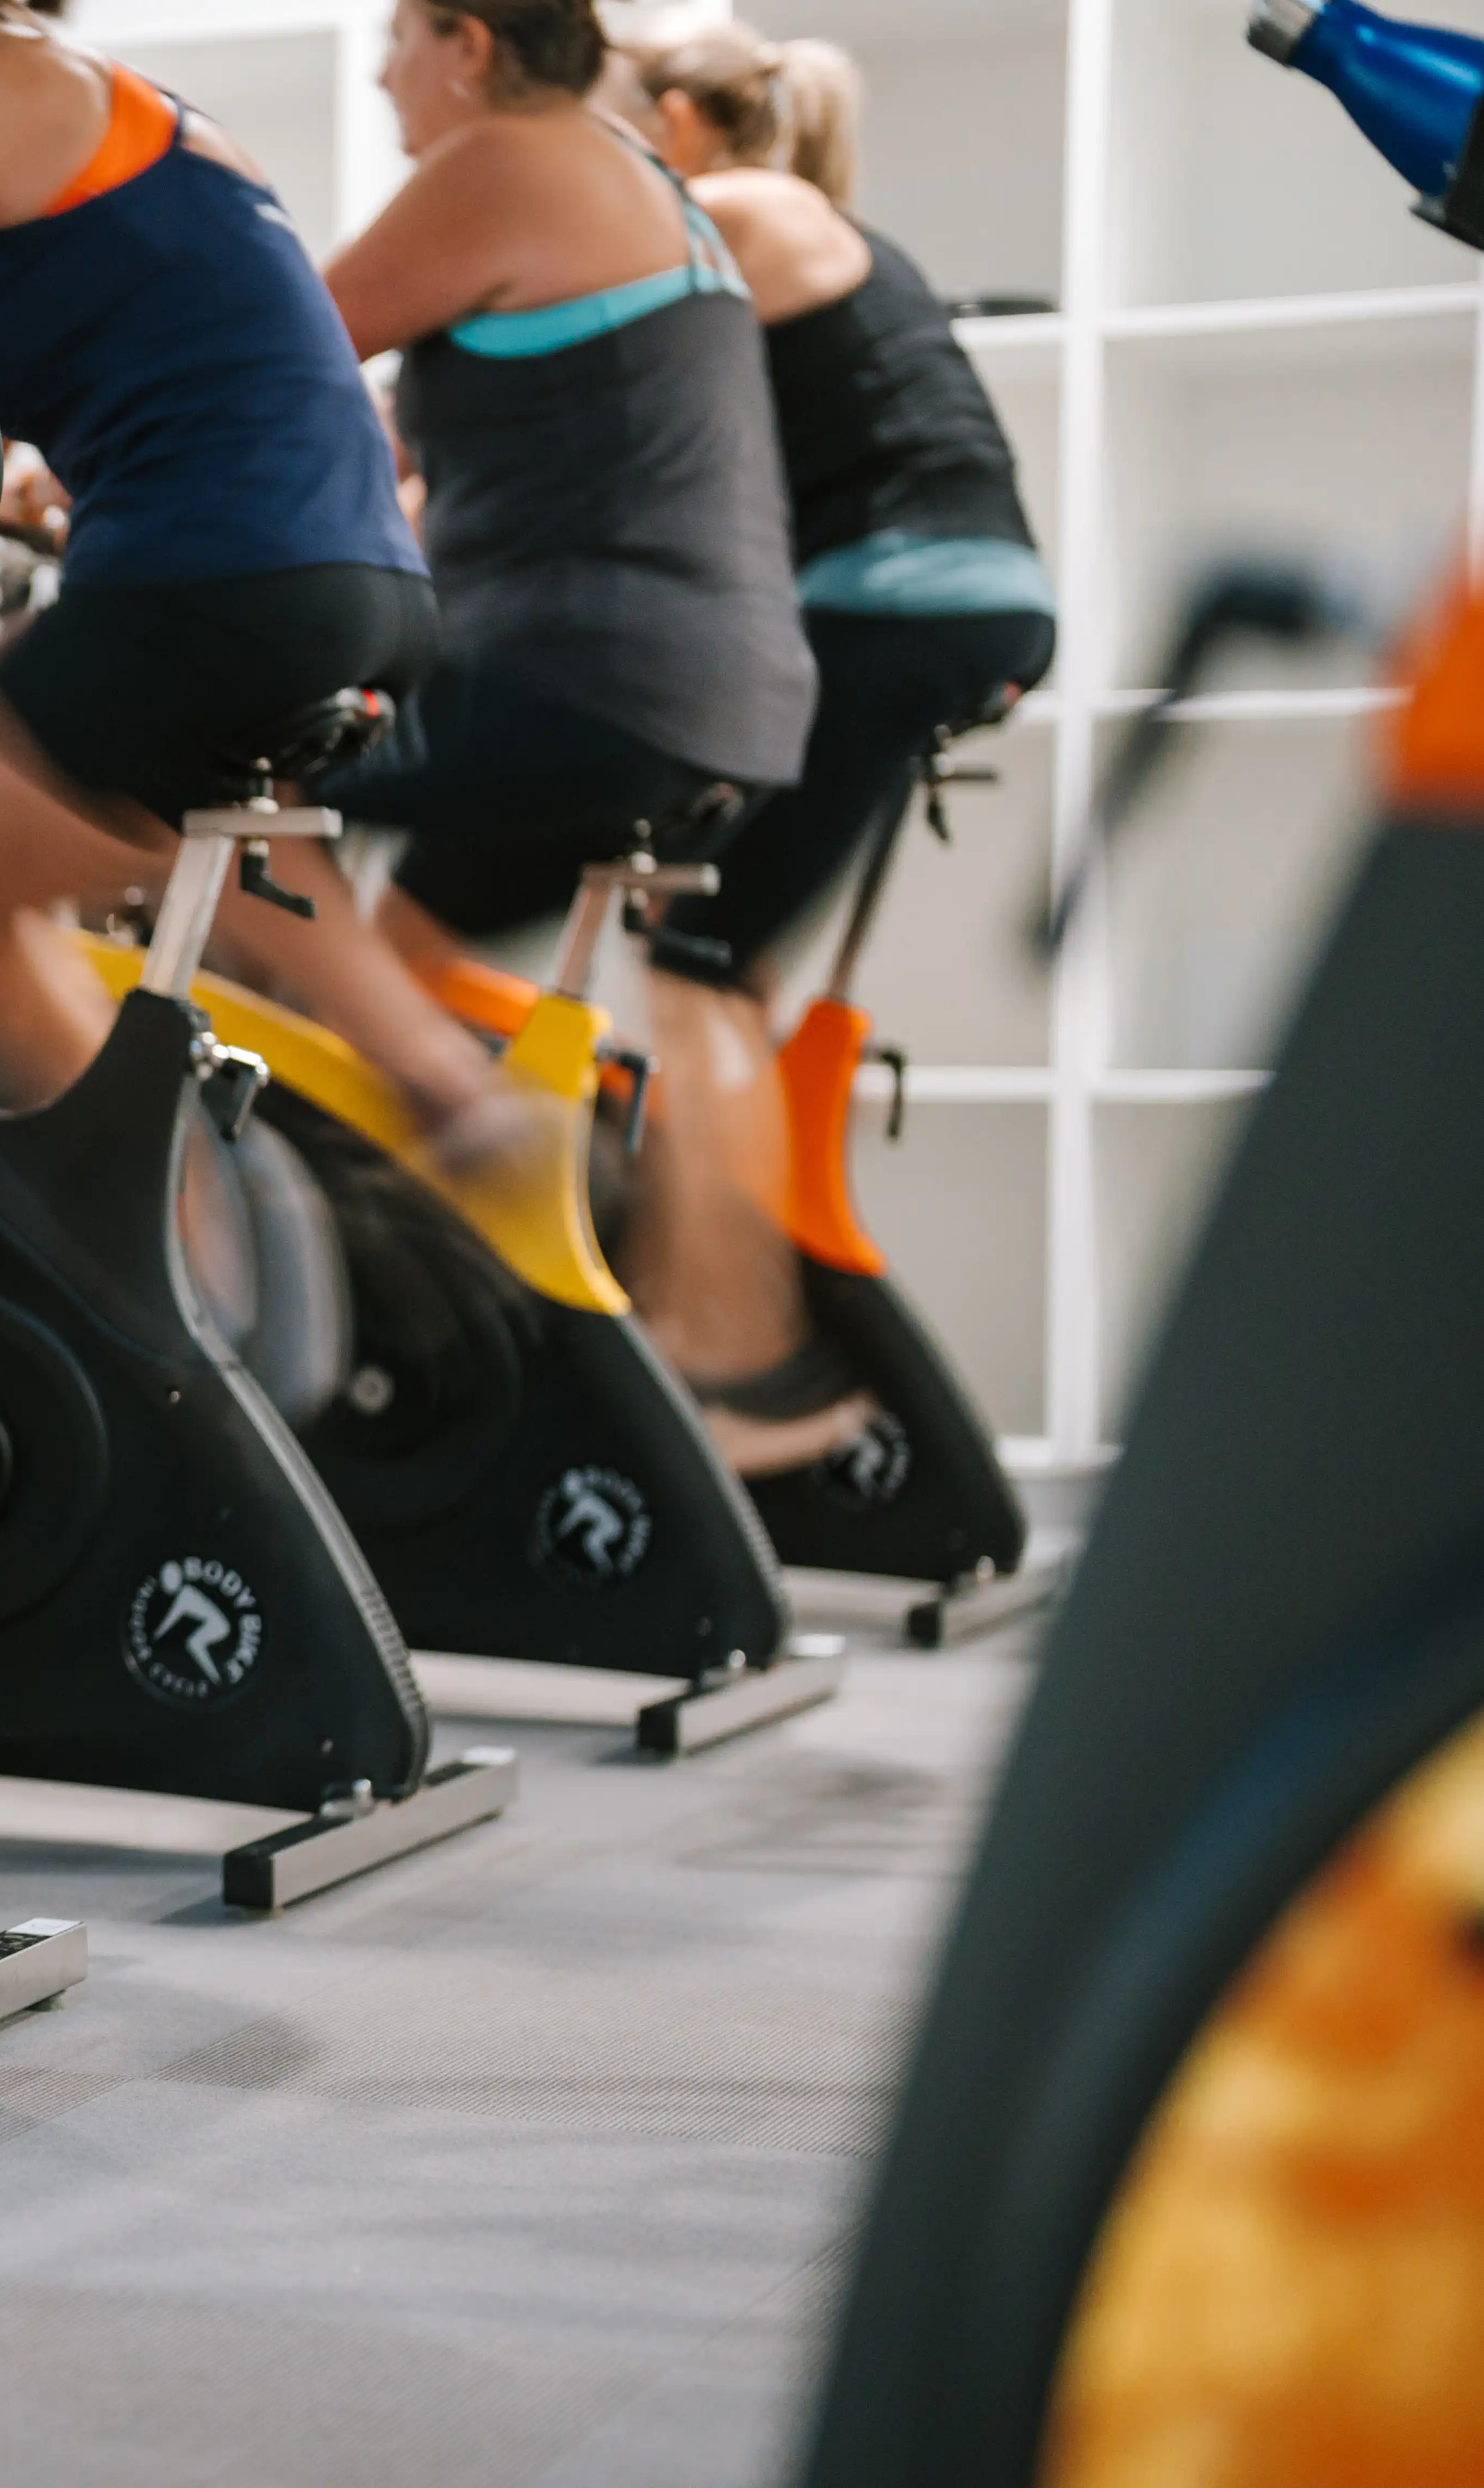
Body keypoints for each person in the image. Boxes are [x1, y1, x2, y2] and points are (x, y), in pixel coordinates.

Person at [0, 0, 438, 1592]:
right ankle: (170, 1257)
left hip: (212, 580)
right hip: (351, 590)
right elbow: (187, 366)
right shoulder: (140, 112)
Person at [608, 17, 1057, 1472]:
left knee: (697, 966)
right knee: (707, 942)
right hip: (939, 604)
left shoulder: (733, 208)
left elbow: (561, 350)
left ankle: (739, 1355)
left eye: (616, 120)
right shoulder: (800, 217)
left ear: (680, 121)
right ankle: (734, 1309)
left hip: (900, 606)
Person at [297, 0, 818, 1023]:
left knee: (210, 768)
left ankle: (453, 1102)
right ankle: (438, 1140)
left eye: (395, 44)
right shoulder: (643, 180)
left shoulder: (506, 159)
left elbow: (272, 361)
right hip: (724, 699)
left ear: (470, 46)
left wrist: (57, 475)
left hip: (586, 681)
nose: (380, 78)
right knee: (393, 960)